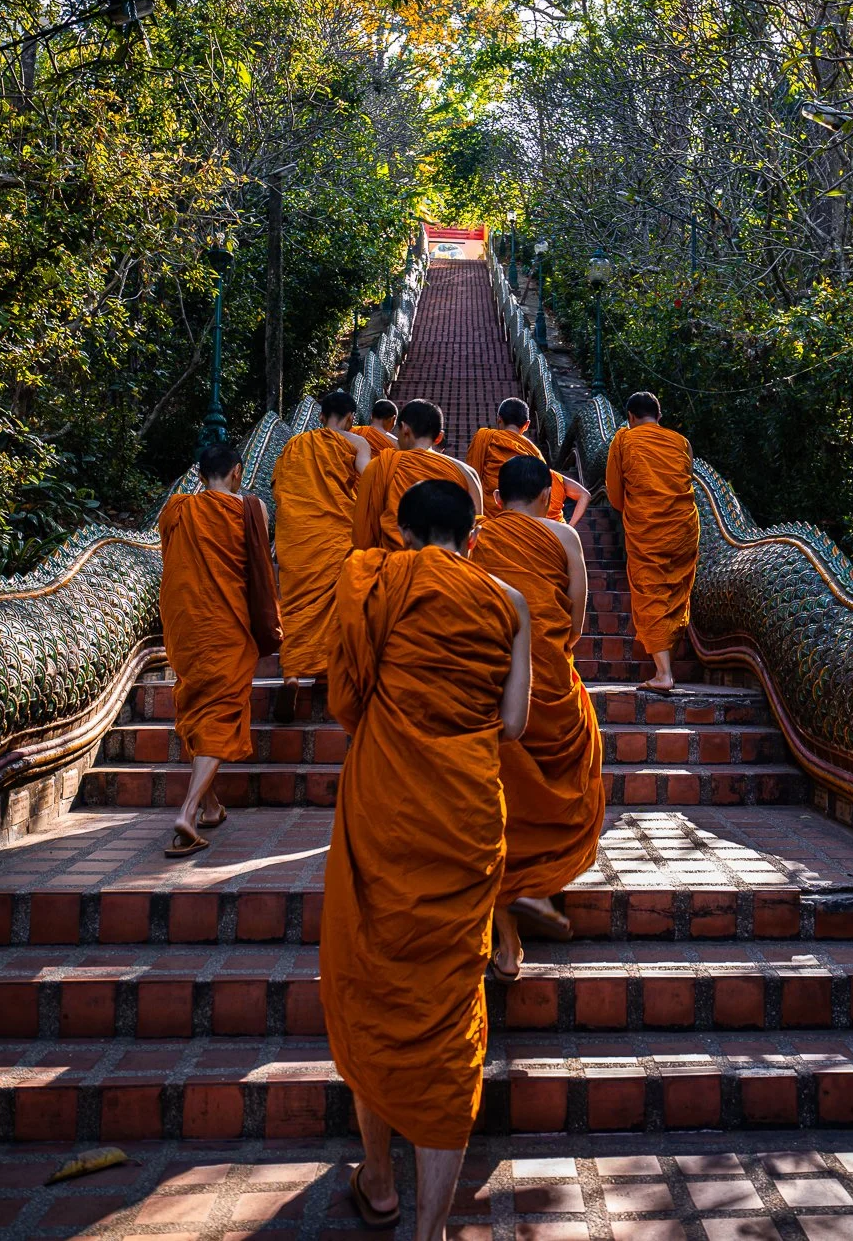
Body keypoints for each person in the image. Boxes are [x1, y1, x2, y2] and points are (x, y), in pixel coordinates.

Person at [322, 479, 531, 1240]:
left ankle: (378, 1180)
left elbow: (346, 696)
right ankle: (431, 1227)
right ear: (474, 537)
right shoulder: (508, 600)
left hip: (386, 803)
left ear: (404, 533)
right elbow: (513, 722)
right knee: (448, 1007)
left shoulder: (378, 575)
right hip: (466, 814)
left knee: (373, 981)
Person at [472, 454, 604, 979]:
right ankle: (538, 888)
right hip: (549, 679)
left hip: (493, 684)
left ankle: (508, 943)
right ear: (551, 497)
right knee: (562, 778)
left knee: (497, 806)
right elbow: (577, 613)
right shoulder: (564, 537)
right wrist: (556, 650)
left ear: (497, 498)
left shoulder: (479, 535)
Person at [157, 441, 281, 857]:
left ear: (198, 478)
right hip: (227, 624)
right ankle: (189, 811)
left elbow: (171, 554)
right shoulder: (252, 508)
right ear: (238, 473)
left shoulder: (177, 509)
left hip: (187, 624)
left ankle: (210, 806)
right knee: (221, 707)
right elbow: (260, 566)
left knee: (196, 706)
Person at [271, 390, 373, 702]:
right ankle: (325, 670)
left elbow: (279, 488)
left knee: (296, 603)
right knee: (333, 601)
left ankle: (291, 674)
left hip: (298, 536)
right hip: (334, 533)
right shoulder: (355, 442)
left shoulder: (294, 445)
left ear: (319, 417)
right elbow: (370, 478)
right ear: (351, 419)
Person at [604, 391, 698, 694]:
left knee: (651, 592)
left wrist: (635, 508)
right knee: (674, 591)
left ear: (631, 417)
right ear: (659, 416)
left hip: (649, 528)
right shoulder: (681, 442)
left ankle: (663, 674)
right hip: (684, 527)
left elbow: (615, 495)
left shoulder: (625, 440)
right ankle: (666, 664)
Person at [350, 398, 484, 550]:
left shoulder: (380, 466)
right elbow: (475, 535)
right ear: (439, 437)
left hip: (394, 567)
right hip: (447, 568)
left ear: (404, 429)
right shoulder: (468, 474)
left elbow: (364, 533)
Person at [464, 397, 590, 528]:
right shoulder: (534, 454)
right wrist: (570, 527)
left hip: (489, 526)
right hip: (525, 528)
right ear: (527, 425)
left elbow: (472, 480)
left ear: (499, 420)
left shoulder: (484, 439)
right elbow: (582, 494)